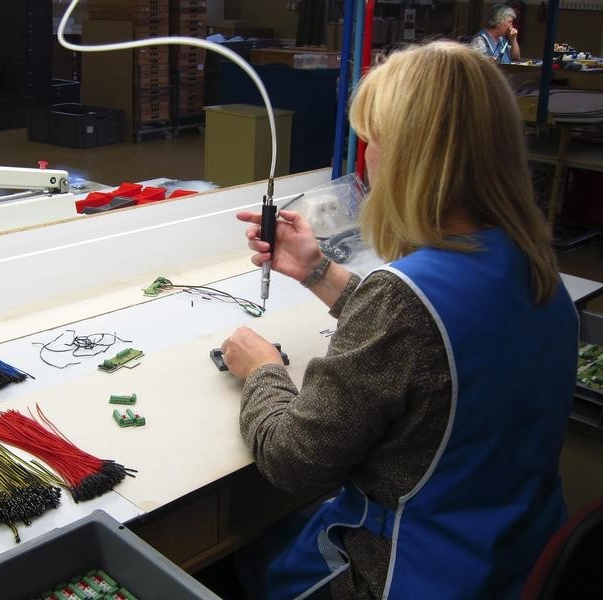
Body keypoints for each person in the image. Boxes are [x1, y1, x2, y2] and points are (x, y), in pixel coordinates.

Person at [221, 41, 577, 599]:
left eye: (372, 141)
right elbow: (435, 344)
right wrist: (318, 272)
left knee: (240, 557)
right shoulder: (534, 266)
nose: (366, 158)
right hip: (512, 559)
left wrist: (262, 370)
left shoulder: (401, 304)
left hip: (411, 574)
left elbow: (295, 461)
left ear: (411, 157)